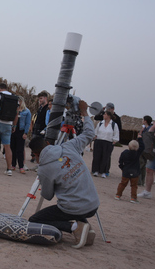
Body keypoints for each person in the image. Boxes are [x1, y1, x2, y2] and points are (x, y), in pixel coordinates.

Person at [28, 100, 99, 249]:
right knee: (70, 203)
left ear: (35, 154)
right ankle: (85, 227)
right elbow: (89, 133)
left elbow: (47, 196)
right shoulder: (69, 146)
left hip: (74, 209)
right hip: (93, 204)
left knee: (35, 218)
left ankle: (75, 227)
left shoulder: (44, 168)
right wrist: (85, 113)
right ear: (47, 144)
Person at [115, 138, 145, 203]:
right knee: (134, 186)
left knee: (122, 184)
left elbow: (120, 161)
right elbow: (143, 147)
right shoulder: (137, 153)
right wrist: (140, 138)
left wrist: (122, 168)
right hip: (135, 171)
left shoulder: (124, 153)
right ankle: (133, 198)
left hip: (126, 170)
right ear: (137, 147)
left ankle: (118, 195)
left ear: (129, 146)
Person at [91, 111, 119, 178]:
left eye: (105, 114)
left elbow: (116, 134)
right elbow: (96, 132)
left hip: (108, 143)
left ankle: (103, 172)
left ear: (109, 116)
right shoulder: (100, 123)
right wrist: (94, 137)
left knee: (105, 157)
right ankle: (96, 170)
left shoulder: (114, 125)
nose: (103, 115)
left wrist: (114, 141)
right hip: (99, 141)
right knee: (97, 156)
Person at [10, 96, 31, 173]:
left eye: (20, 101)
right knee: (13, 148)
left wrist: (25, 133)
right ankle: (13, 164)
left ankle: (21, 166)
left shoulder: (27, 111)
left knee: (20, 149)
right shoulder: (14, 110)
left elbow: (28, 123)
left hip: (21, 131)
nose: (18, 103)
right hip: (13, 130)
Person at [30, 90, 49, 162]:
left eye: (41, 98)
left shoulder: (47, 108)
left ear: (45, 98)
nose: (39, 100)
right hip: (36, 130)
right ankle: (34, 158)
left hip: (42, 131)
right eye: (39, 99)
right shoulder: (40, 108)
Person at [138, 115, 153, 186]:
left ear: (145, 121)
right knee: (143, 165)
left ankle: (139, 181)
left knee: (140, 164)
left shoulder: (148, 130)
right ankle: (142, 181)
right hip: (146, 149)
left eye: (143, 120)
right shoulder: (146, 129)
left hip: (144, 148)